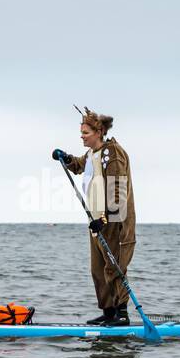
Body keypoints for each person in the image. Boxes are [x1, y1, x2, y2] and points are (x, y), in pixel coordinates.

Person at [52, 107, 136, 326]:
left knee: (113, 266)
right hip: (96, 222)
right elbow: (79, 166)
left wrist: (105, 220)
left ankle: (122, 314)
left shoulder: (113, 153)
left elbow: (118, 192)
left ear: (99, 132)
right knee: (98, 269)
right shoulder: (92, 153)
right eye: (81, 132)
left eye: (85, 133)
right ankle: (108, 313)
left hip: (114, 222)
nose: (82, 136)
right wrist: (66, 158)